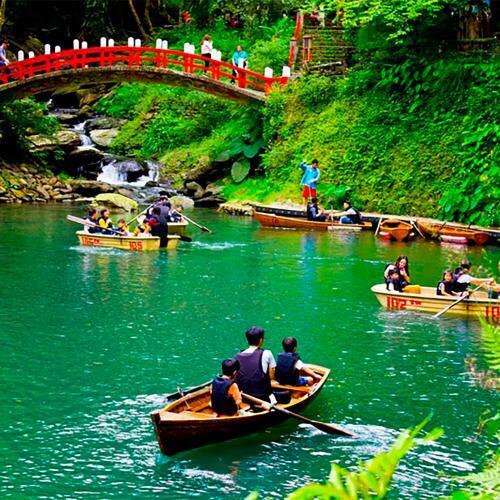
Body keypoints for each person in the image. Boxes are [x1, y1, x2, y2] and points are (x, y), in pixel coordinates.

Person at [235, 326, 276, 403]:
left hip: (243, 397)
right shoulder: (267, 353)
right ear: (261, 340)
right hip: (263, 399)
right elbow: (272, 377)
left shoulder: (237, 356)